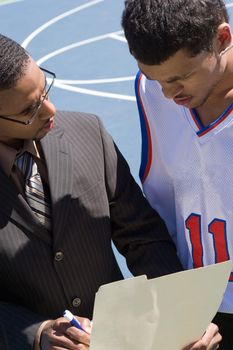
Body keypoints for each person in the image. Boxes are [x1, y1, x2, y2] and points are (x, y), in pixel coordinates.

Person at [0, 33, 220, 350]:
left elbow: (142, 235)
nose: (50, 110)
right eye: (29, 110)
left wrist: (182, 315)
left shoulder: (89, 133)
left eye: (45, 89)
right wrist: (36, 333)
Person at [122, 0, 233, 349]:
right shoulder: (151, 90)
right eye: (157, 78)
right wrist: (174, 299)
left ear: (222, 38)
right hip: (197, 305)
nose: (169, 93)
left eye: (180, 77)